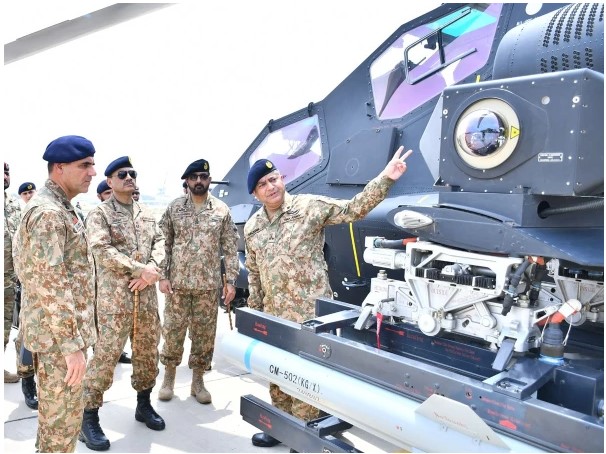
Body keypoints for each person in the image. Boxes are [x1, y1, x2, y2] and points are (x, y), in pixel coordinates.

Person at [244, 146, 413, 448]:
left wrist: (386, 178)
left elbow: (354, 209)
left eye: (273, 179)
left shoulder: (309, 207)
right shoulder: (253, 227)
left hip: (310, 314)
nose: (271, 186)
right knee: (277, 371)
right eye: (263, 184)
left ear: (282, 179)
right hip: (273, 314)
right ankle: (280, 426)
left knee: (306, 377)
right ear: (256, 194)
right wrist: (254, 315)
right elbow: (255, 275)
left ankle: (302, 434)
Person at [12, 136, 98, 453]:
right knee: (61, 428)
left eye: (92, 165)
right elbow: (52, 285)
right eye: (84, 165)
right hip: (59, 343)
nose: (92, 172)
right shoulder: (48, 213)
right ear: (59, 168)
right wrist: (72, 347)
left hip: (60, 337)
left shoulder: (61, 207)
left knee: (58, 422)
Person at [80, 156, 165, 451]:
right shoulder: (100, 214)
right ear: (110, 182)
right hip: (114, 302)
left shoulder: (147, 213)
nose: (129, 177)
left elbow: (160, 243)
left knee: (147, 354)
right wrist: (139, 270)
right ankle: (88, 417)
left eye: (132, 173)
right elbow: (101, 250)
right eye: (122, 174)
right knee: (105, 358)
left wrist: (152, 270)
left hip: (146, 298)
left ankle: (144, 404)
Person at [157, 159, 239, 404]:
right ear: (187, 181)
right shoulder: (174, 208)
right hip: (178, 285)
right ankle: (168, 379)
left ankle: (198, 382)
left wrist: (231, 280)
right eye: (194, 177)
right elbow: (164, 243)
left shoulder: (221, 210)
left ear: (209, 179)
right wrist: (162, 275)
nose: (199, 181)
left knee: (204, 335)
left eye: (203, 177)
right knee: (173, 332)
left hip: (207, 286)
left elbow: (230, 246)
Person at [93, 179, 133, 365]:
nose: (111, 196)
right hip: (103, 279)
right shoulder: (98, 216)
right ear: (100, 196)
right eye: (107, 193)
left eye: (111, 192)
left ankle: (120, 352)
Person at [4, 162, 20, 384]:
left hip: (9, 280)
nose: (5, 176)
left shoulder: (14, 205)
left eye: (6, 172)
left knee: (5, 326)